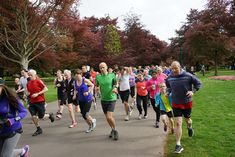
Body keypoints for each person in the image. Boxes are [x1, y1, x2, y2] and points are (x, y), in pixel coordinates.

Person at [166, 61, 201, 153]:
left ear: (180, 67)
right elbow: (168, 86)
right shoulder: (169, 77)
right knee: (178, 123)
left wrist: (192, 91)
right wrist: (168, 92)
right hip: (175, 102)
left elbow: (198, 84)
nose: (174, 70)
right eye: (172, 68)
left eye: (175, 68)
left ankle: (190, 127)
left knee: (187, 120)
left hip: (186, 102)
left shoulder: (188, 75)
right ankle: (178, 145)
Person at [0, 78, 29, 157]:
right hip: (1, 130)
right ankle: (22, 151)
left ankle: (22, 151)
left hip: (13, 129)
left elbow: (23, 111)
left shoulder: (10, 98)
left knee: (4, 156)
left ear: (3, 87)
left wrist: (14, 120)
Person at [27, 69, 55, 136]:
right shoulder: (28, 83)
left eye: (31, 75)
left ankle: (49, 115)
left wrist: (38, 94)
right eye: (29, 75)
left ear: (34, 74)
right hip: (32, 102)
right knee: (33, 116)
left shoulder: (38, 81)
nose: (30, 76)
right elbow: (29, 92)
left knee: (41, 116)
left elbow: (46, 89)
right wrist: (27, 94)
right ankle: (38, 129)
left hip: (40, 101)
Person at [96, 62, 119, 140]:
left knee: (109, 116)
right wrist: (97, 89)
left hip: (112, 98)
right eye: (100, 68)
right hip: (103, 99)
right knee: (107, 118)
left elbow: (116, 83)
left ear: (106, 67)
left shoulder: (112, 75)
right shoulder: (98, 77)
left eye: (103, 67)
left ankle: (115, 130)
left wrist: (115, 88)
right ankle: (112, 129)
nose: (102, 69)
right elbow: (97, 85)